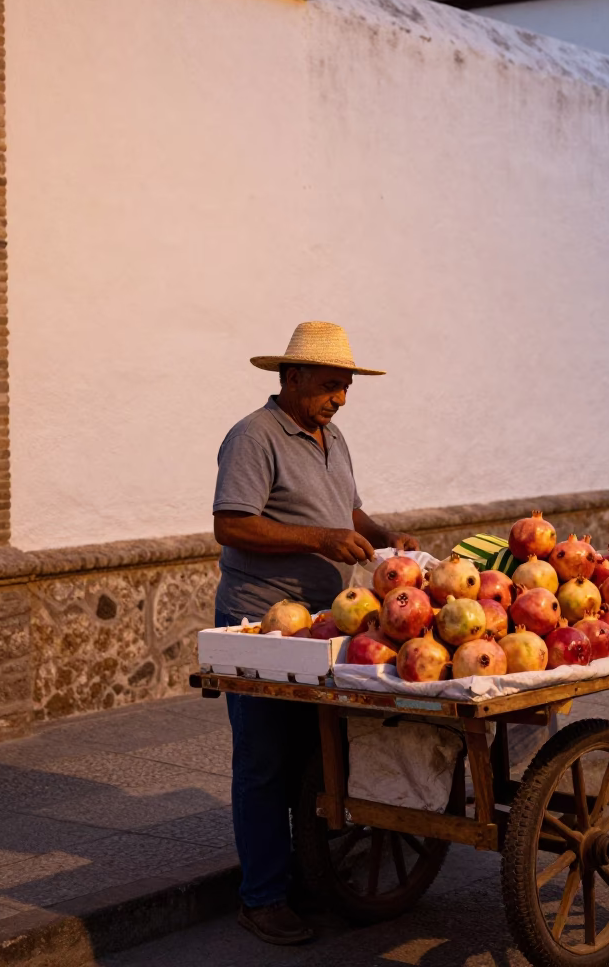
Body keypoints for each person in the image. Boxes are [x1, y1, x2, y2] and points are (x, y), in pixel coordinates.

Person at [212, 321, 418, 945]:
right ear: (292, 378)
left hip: (326, 622)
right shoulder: (254, 436)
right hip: (263, 623)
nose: (341, 399)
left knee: (312, 757)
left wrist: (383, 537)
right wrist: (319, 540)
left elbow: (344, 510)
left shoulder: (331, 436)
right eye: (332, 386)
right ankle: (263, 897)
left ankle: (305, 878)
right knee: (265, 761)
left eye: (347, 387)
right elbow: (232, 524)